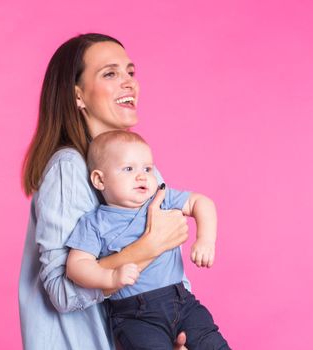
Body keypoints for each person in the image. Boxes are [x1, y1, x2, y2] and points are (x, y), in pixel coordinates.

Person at [19, 33, 190, 349]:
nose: (129, 83)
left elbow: (169, 276)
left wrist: (180, 333)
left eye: (130, 72)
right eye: (110, 73)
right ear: (78, 96)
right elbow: (61, 292)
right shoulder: (69, 168)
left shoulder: (142, 170)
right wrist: (148, 247)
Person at [65, 130, 229, 349]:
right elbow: (76, 266)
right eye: (128, 169)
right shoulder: (95, 222)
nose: (142, 176)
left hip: (182, 300)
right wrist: (111, 277)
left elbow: (202, 202)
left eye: (147, 168)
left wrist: (205, 240)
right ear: (99, 179)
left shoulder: (161, 199)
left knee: (213, 343)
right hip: (136, 316)